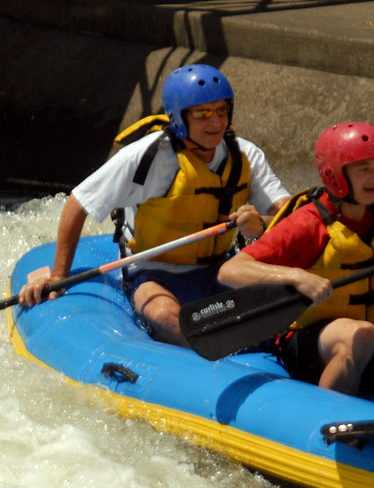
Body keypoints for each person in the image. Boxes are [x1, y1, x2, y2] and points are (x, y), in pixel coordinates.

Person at [19, 64, 290, 346]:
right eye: (203, 114)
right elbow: (78, 203)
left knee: (284, 297)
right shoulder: (148, 157)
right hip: (154, 271)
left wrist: (262, 224)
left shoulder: (246, 155)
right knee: (164, 315)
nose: (216, 122)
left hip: (220, 267)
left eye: (221, 111)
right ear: (179, 117)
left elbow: (290, 215)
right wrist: (59, 275)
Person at [217, 121, 374, 404]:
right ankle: (326, 414)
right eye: (364, 169)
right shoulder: (308, 224)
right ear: (334, 175)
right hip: (311, 344)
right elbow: (231, 270)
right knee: (360, 335)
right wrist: (297, 277)